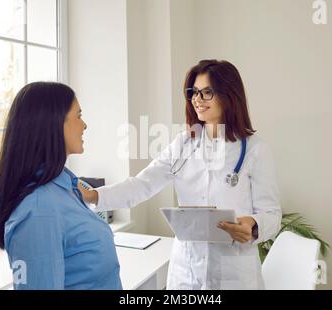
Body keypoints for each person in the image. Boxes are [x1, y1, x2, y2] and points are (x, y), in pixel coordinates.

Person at [80, 59, 282, 289]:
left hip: (234, 273)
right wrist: (93, 196)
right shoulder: (182, 144)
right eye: (194, 92)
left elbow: (272, 214)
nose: (197, 99)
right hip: (187, 271)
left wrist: (253, 224)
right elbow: (142, 184)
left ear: (229, 95)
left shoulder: (255, 149)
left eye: (207, 92)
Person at [0, 82, 122, 290]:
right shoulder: (38, 209)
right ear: (53, 124)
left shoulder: (66, 186)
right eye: (78, 116)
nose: (84, 125)